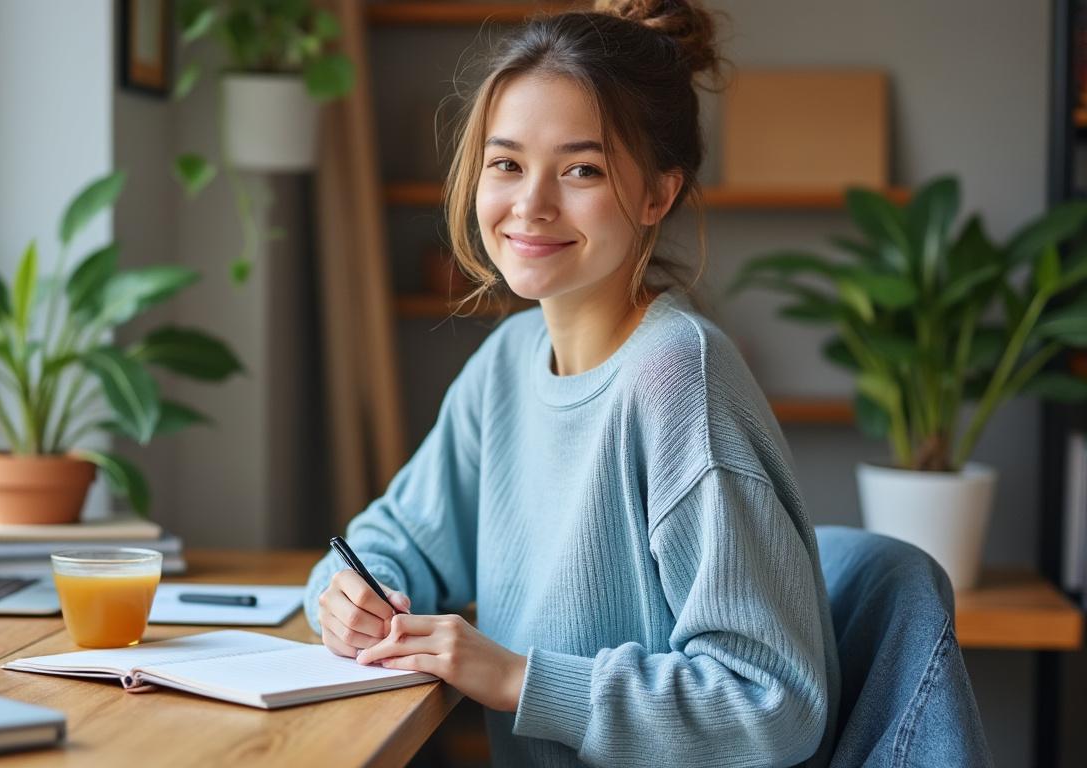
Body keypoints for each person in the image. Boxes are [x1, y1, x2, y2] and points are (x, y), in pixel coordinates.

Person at [303, 1, 840, 765]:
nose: (531, 205)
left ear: (658, 195)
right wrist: (354, 596)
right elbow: (394, 542)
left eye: (581, 169)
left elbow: (771, 704)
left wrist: (517, 678)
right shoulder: (509, 362)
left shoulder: (679, 382)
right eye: (506, 164)